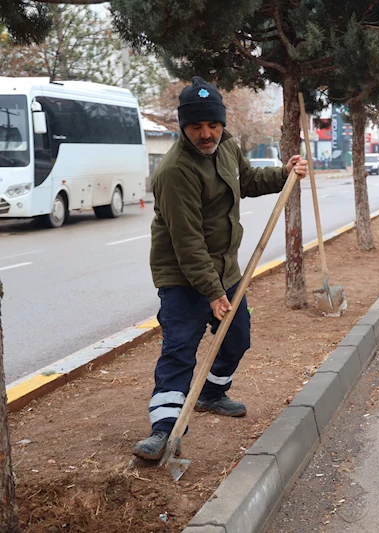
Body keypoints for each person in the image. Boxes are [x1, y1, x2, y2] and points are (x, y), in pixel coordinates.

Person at [133, 76, 308, 460]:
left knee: (237, 338)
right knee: (180, 349)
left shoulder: (226, 147)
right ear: (183, 126)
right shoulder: (175, 171)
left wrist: (284, 173)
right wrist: (212, 294)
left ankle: (211, 393)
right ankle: (164, 429)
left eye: (212, 124)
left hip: (225, 271)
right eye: (196, 126)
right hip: (182, 277)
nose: (206, 133)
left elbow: (246, 180)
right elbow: (188, 243)